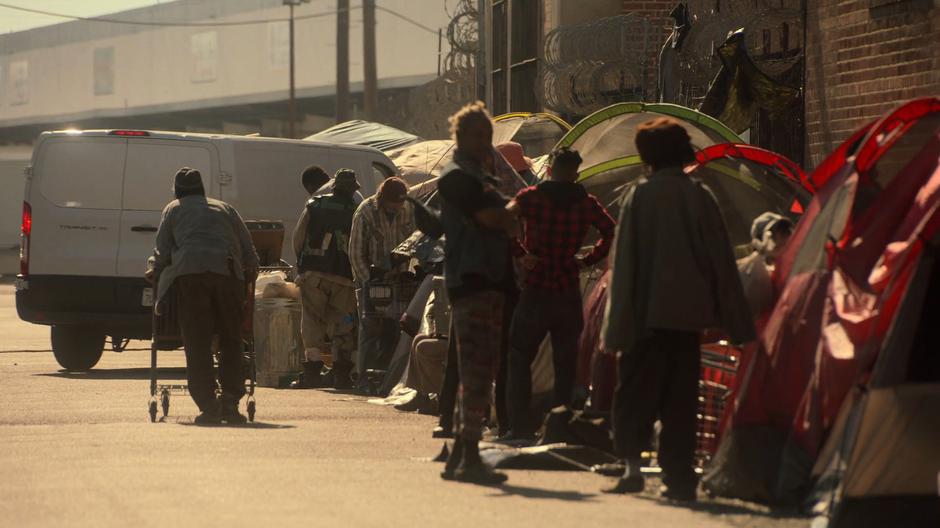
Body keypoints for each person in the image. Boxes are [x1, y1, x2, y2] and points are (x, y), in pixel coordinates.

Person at [601, 118, 755, 501]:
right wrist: (739, 323)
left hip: (643, 319)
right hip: (686, 319)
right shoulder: (699, 196)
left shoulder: (638, 197)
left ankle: (633, 468)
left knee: (634, 394)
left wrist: (616, 327)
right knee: (680, 400)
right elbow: (721, 260)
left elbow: (625, 269)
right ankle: (678, 478)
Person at [503, 146, 616, 442]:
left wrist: (521, 253)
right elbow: (610, 231)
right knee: (566, 363)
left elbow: (505, 221)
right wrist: (588, 260)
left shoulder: (531, 197)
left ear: (550, 169)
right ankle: (559, 427)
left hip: (536, 288)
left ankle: (520, 427)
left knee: (519, 357)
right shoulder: (586, 203)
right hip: (567, 288)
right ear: (575, 172)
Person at [436, 101, 518, 485]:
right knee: (478, 370)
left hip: (487, 278)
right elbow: (494, 218)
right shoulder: (459, 178)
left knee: (477, 370)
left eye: (488, 135)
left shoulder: (481, 177)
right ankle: (469, 455)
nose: (484, 141)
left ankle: (460, 455)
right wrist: (520, 208)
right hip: (473, 280)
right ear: (460, 136)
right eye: (477, 134)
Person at [151, 167, 259, 424]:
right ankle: (231, 403)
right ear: (202, 189)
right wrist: (249, 272)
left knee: (197, 342)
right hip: (228, 274)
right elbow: (248, 248)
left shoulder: (173, 209)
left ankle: (209, 406)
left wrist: (155, 271)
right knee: (231, 339)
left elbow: (162, 251)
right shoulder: (225, 208)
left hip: (192, 276)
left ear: (177, 192)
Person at [290, 169, 361, 389]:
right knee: (343, 324)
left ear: (333, 187)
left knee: (312, 320)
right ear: (353, 190)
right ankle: (341, 374)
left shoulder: (315, 205)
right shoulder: (357, 210)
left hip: (314, 275)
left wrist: (303, 265)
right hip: (345, 277)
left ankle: (312, 371)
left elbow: (298, 238)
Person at [349, 177, 417, 392]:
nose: (397, 207)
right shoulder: (366, 211)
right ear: (382, 198)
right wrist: (369, 277)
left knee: (396, 330)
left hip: (398, 283)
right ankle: (363, 379)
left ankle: (389, 377)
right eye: (393, 204)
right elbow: (355, 252)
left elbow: (415, 239)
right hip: (372, 281)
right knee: (370, 329)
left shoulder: (407, 210)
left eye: (400, 203)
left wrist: (409, 265)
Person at [737, 212, 793, 321]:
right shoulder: (750, 273)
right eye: (773, 234)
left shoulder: (795, 265)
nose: (780, 238)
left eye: (785, 232)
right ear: (759, 241)